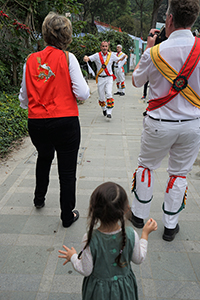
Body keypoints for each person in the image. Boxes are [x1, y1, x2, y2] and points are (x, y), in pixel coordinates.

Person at [130, 0, 200, 242]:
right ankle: (170, 226)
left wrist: (148, 49)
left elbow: (136, 82)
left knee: (147, 166)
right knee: (179, 173)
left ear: (169, 19)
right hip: (192, 124)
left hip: (159, 122)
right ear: (192, 20)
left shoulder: (154, 52)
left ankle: (139, 216)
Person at [18, 12, 90, 227]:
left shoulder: (30, 60)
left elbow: (23, 97)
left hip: (37, 123)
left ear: (45, 34)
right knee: (67, 171)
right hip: (65, 121)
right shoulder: (68, 58)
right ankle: (67, 216)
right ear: (66, 35)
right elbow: (83, 93)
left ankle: (39, 198)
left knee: (44, 155)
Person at [58, 182, 157, 300]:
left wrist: (73, 257)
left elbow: (86, 270)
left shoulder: (89, 238)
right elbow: (138, 258)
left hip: (99, 292)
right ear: (125, 210)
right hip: (124, 290)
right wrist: (145, 235)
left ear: (94, 210)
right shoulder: (131, 234)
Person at [83, 41, 126, 119]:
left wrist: (124, 57)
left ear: (108, 47)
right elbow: (88, 58)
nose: (104, 48)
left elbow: (118, 60)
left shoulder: (111, 56)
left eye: (106, 46)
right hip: (100, 78)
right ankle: (104, 109)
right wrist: (86, 57)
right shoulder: (96, 55)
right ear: (100, 47)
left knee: (109, 94)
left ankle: (109, 112)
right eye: (103, 46)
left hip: (109, 78)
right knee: (101, 97)